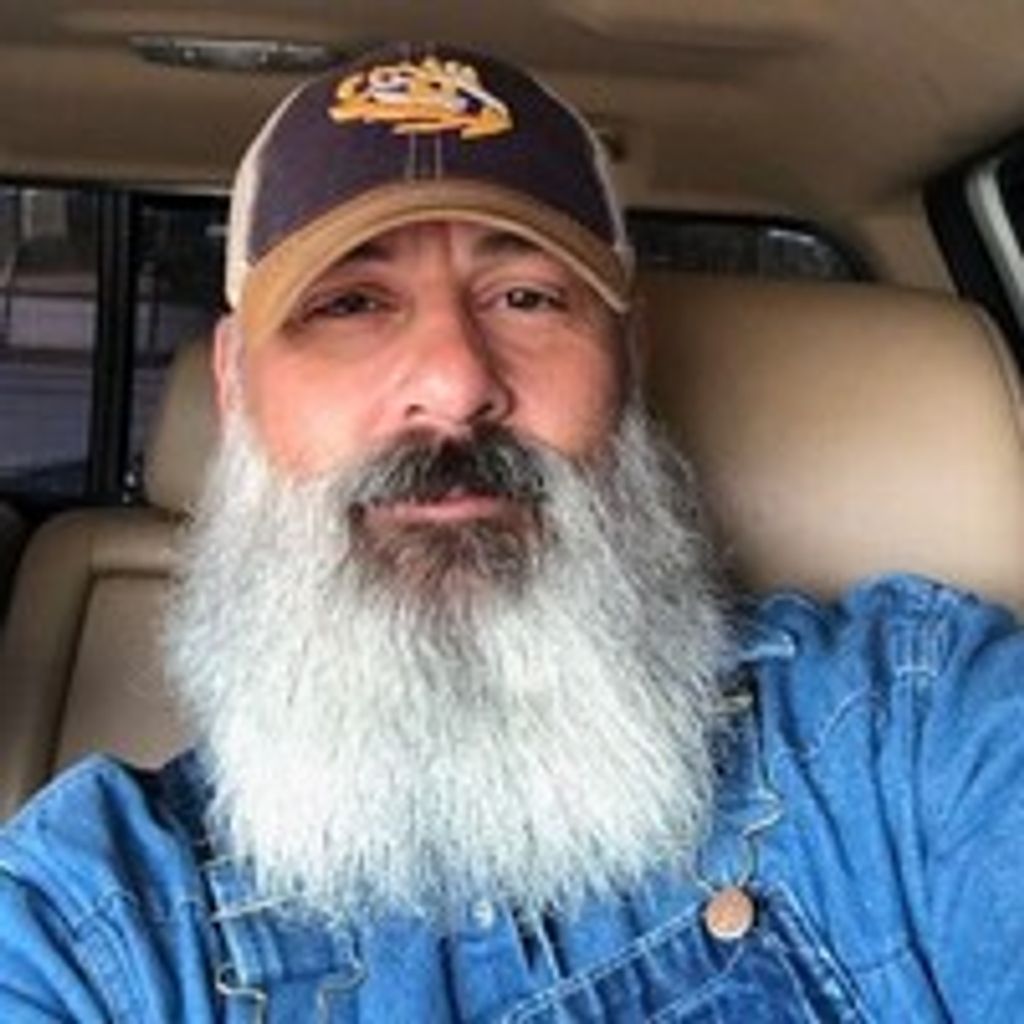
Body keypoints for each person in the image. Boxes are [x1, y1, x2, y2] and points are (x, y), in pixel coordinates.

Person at [0, 41, 1021, 1022]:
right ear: (234, 385)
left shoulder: (908, 729)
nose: (455, 382)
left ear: (628, 361)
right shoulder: (88, 927)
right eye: (349, 303)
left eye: (527, 297)